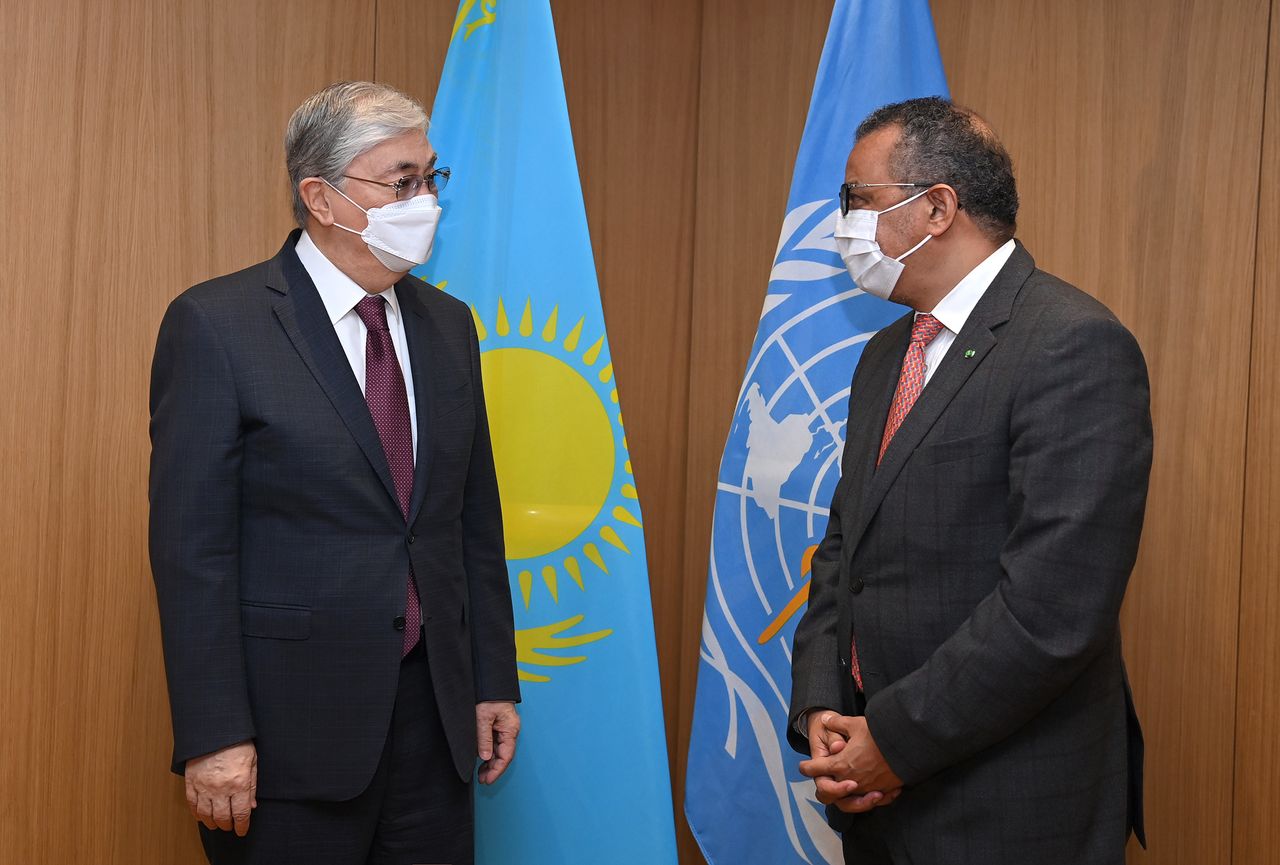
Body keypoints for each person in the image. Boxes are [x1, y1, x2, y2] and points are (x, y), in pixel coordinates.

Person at [149, 80, 520, 865]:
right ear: (320, 196)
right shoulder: (218, 325)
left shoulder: (450, 327)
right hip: (288, 737)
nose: (425, 199)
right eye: (401, 182)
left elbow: (471, 520)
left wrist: (492, 679)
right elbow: (193, 553)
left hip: (435, 722)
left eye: (430, 177)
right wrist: (215, 733)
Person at [788, 96, 1151, 865]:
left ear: (938, 208)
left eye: (858, 198)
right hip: (877, 801)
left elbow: (1052, 611)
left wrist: (891, 739)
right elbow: (844, 548)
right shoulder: (883, 355)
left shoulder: (1073, 345)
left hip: (1007, 804)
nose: (842, 223)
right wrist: (823, 699)